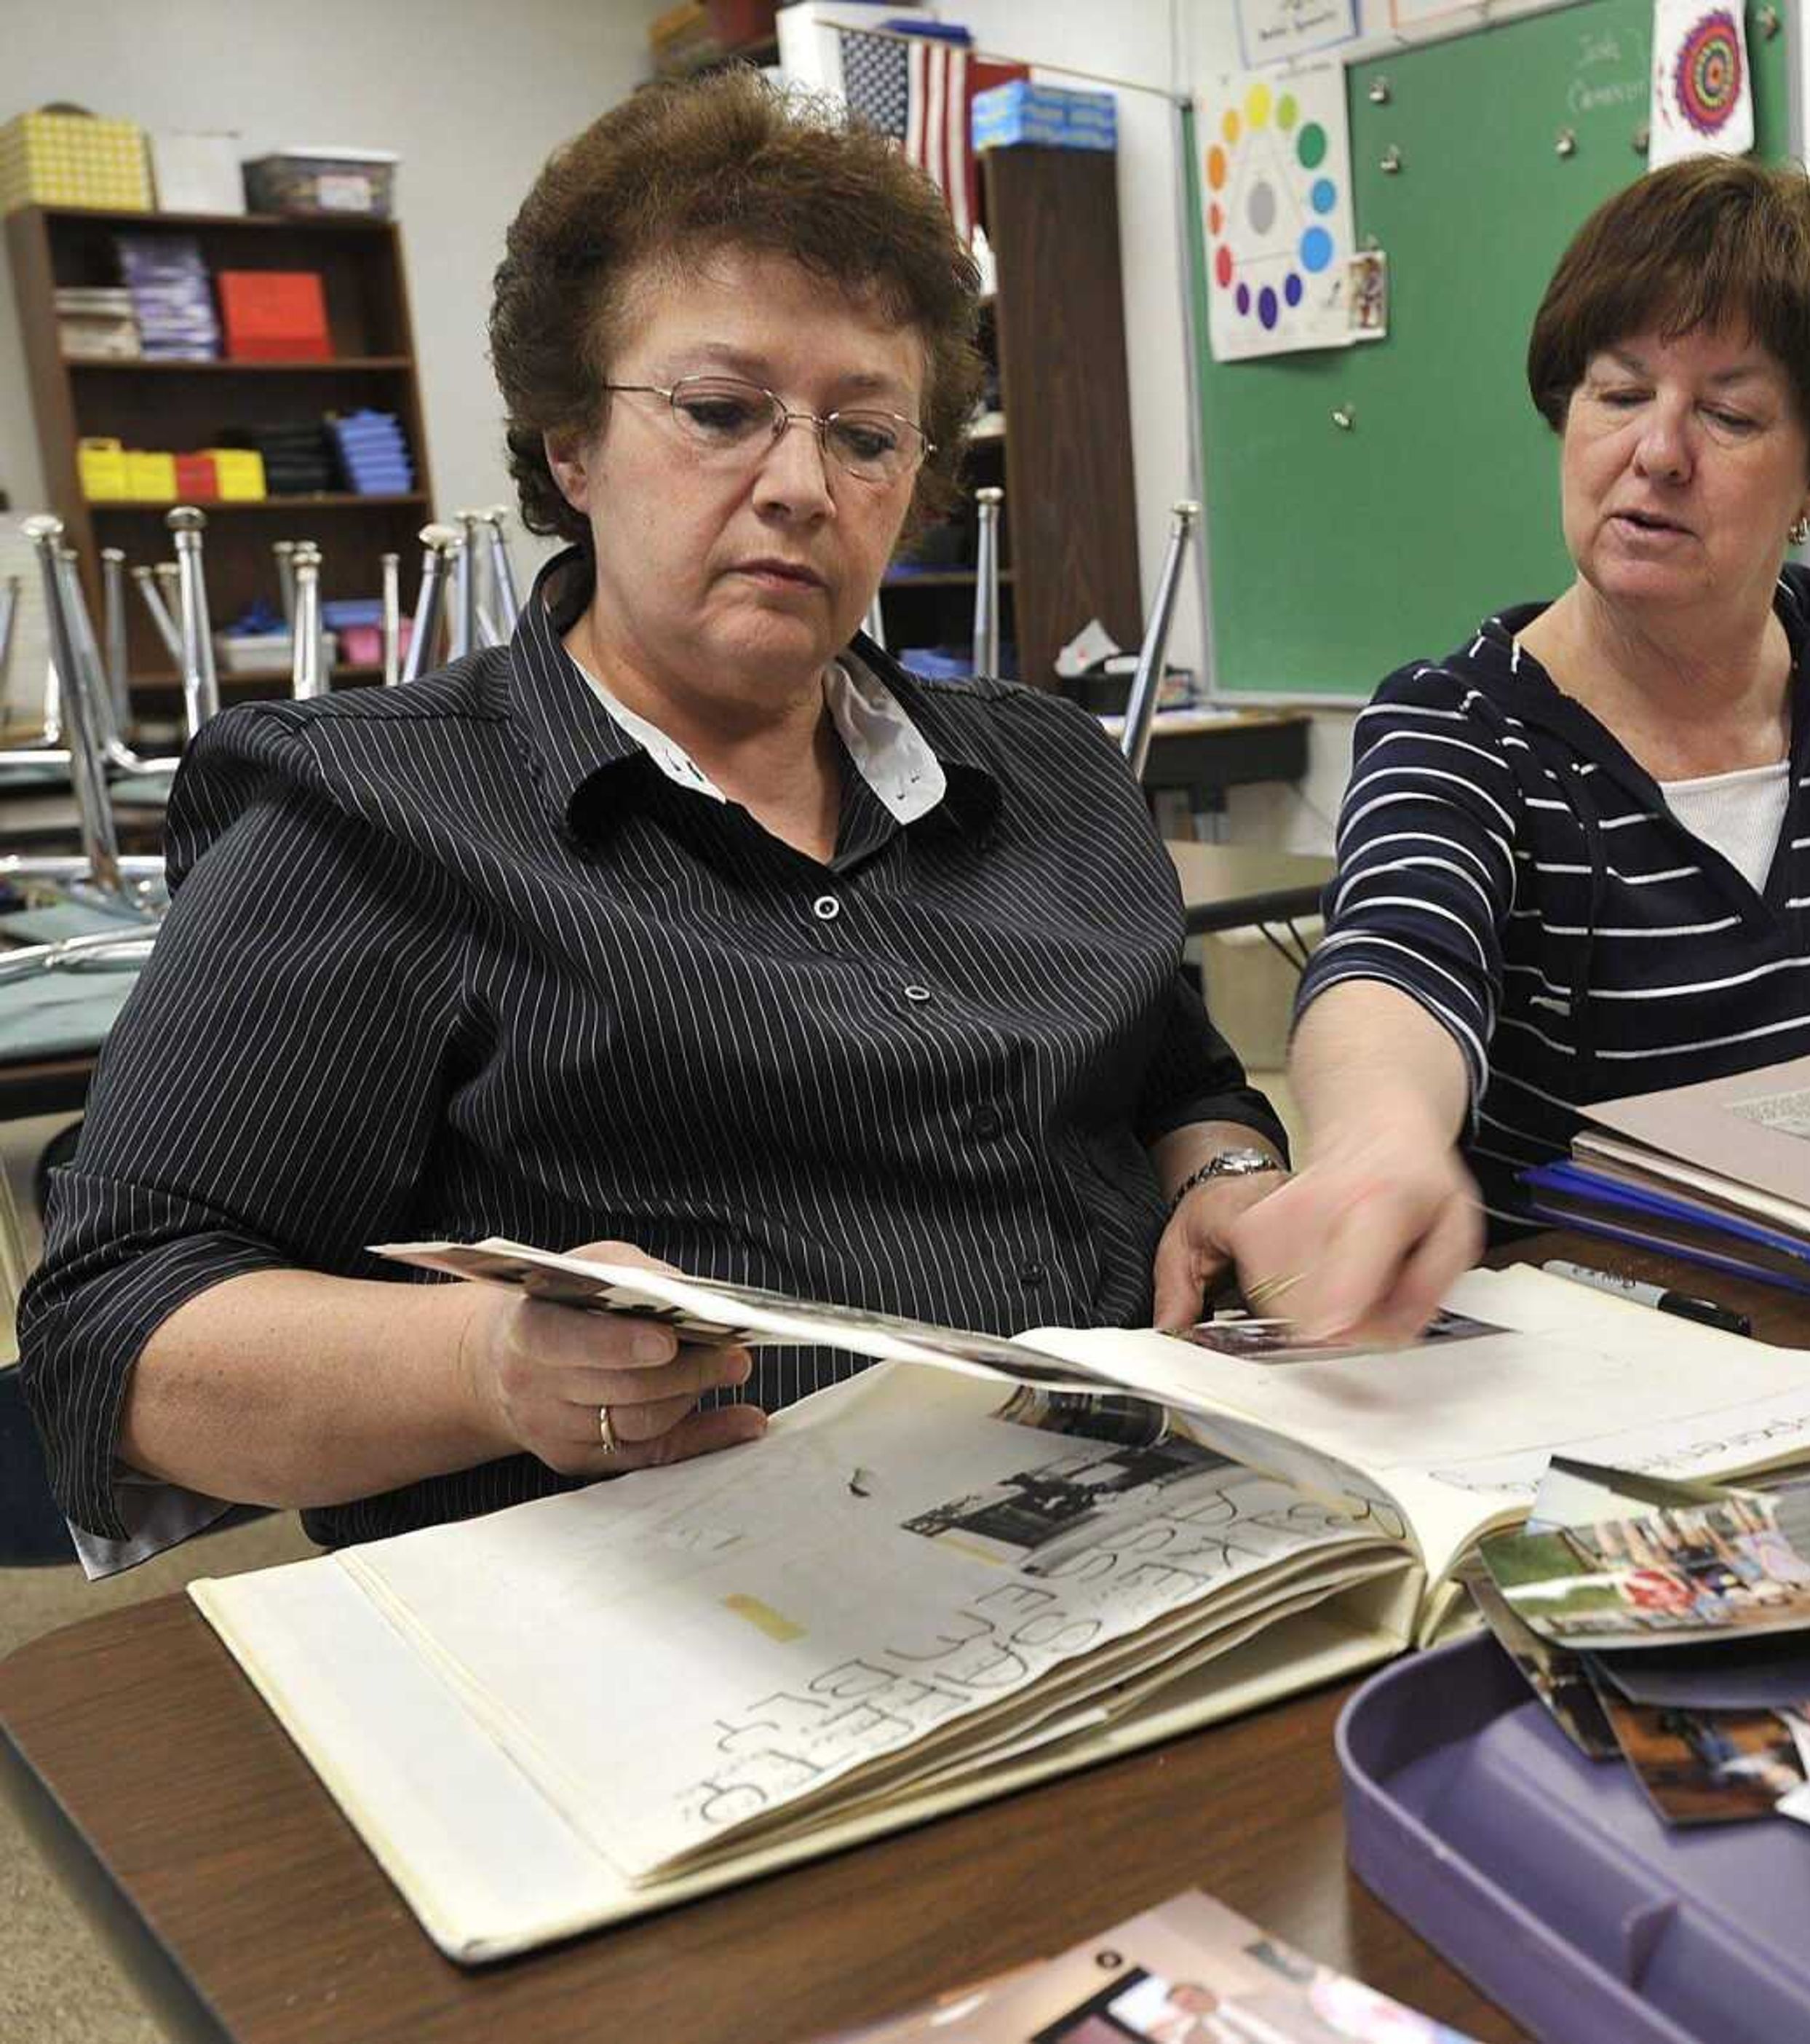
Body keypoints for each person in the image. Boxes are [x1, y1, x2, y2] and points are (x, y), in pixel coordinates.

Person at [18, 71, 1288, 1572]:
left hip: (1176, 1540)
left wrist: (1226, 1180)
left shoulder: (1053, 772)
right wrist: (490, 1365)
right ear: (572, 446)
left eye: (868, 435)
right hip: (706, 1638)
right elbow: (118, 1337)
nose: (803, 486)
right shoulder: (371, 820)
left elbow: (1180, 1081)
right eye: (719, 412)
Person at [1231, 157, 1810, 1339]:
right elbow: (1394, 963)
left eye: (1731, 415)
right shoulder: (1462, 727)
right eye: (1618, 393)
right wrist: (1379, 1145)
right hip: (1622, 1350)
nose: (1658, 452)